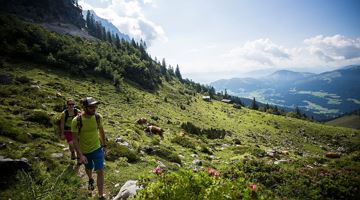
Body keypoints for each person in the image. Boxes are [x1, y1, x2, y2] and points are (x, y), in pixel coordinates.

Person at [72, 97, 107, 200]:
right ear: (84, 107)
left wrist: (104, 145)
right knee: (88, 168)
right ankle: (91, 179)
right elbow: (74, 139)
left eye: (95, 106)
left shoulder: (98, 117)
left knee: (100, 171)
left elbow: (101, 132)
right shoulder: (76, 121)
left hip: (97, 149)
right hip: (84, 151)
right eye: (91, 107)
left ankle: (101, 195)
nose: (94, 108)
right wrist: (80, 155)